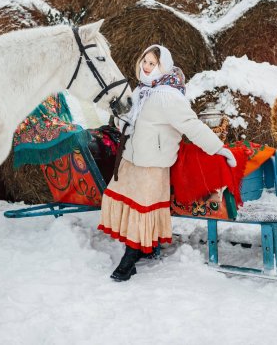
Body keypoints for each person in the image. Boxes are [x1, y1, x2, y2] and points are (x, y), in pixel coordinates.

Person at [98, 44, 236, 281]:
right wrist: (122, 121)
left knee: (142, 211)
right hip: (131, 159)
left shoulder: (168, 96)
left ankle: (129, 260)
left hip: (152, 164)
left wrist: (219, 148)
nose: (147, 67)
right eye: (145, 61)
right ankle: (144, 247)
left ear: (164, 67)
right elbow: (130, 123)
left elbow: (191, 126)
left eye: (153, 63)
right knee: (129, 206)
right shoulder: (141, 91)